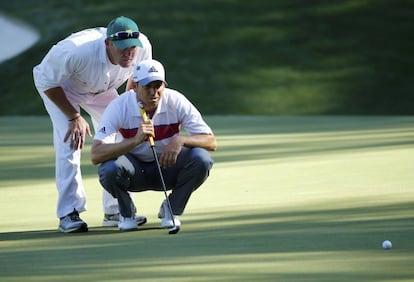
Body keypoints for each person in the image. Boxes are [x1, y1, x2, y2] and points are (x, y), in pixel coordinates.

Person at [33, 16, 152, 233]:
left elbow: (136, 78)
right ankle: (69, 212)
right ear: (108, 43)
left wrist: (128, 108)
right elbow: (45, 81)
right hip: (63, 90)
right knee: (71, 141)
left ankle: (115, 210)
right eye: (123, 49)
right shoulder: (76, 51)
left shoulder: (142, 46)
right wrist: (73, 117)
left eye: (132, 48)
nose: (129, 54)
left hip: (102, 89)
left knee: (117, 136)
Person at [90, 59, 217, 231]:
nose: (154, 92)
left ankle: (171, 210)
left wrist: (180, 140)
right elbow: (96, 155)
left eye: (158, 85)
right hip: (134, 172)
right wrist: (135, 140)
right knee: (109, 169)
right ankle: (127, 213)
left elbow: (210, 141)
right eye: (147, 86)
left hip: (167, 167)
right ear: (134, 86)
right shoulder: (119, 106)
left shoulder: (176, 100)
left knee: (202, 159)